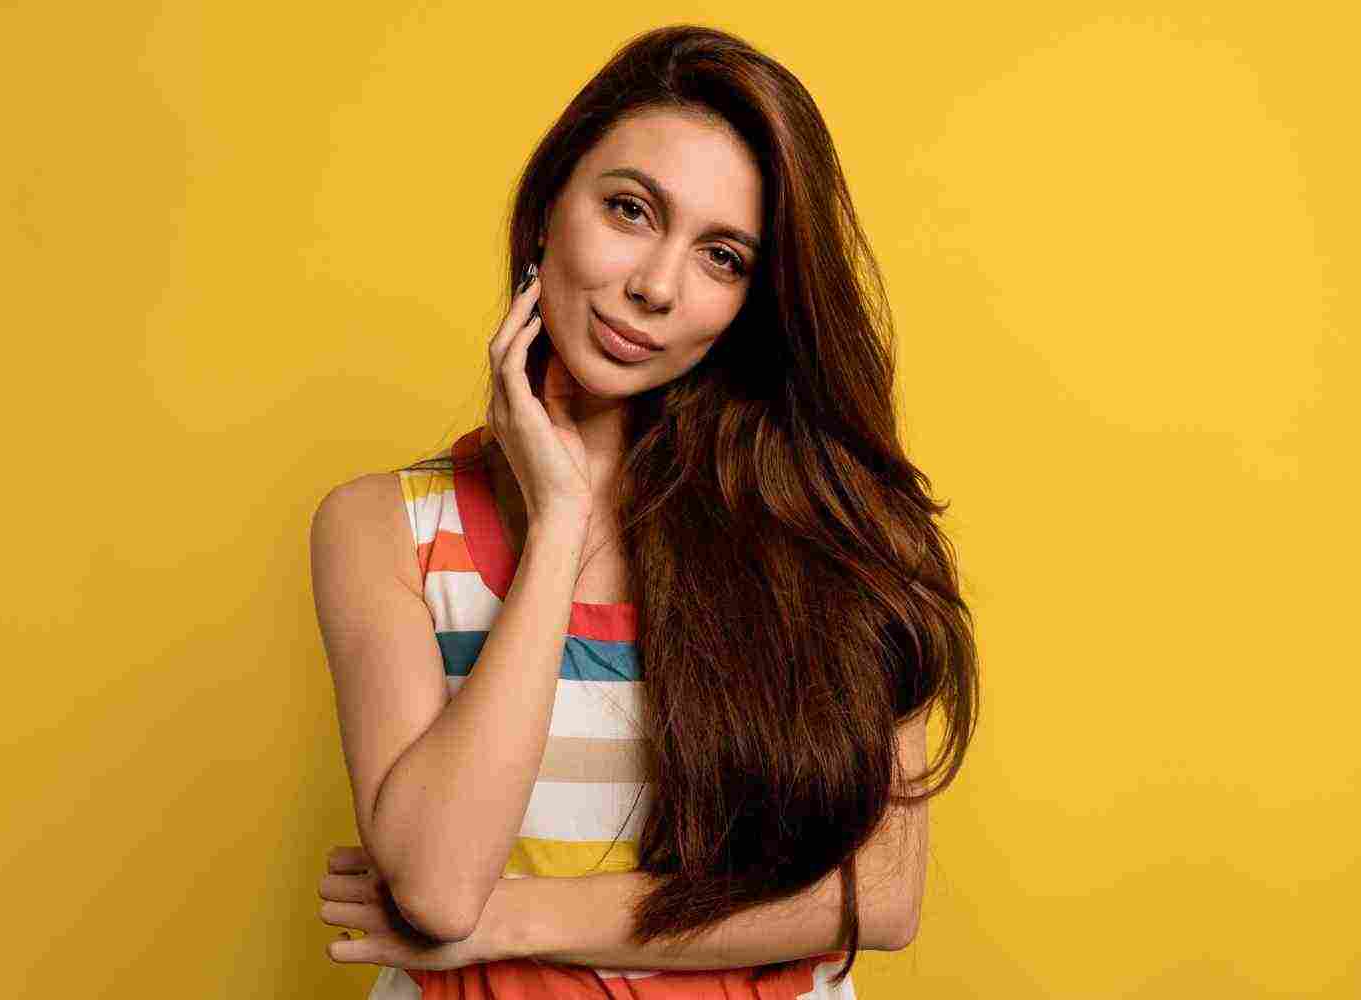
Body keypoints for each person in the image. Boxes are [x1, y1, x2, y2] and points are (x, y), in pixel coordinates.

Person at [310, 23, 980, 999]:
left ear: (753, 300)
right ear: (547, 209)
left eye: (722, 257)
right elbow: (440, 886)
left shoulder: (840, 531)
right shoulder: (385, 531)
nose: (656, 286)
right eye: (630, 209)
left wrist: (518, 914)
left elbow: (878, 895)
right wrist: (557, 533)